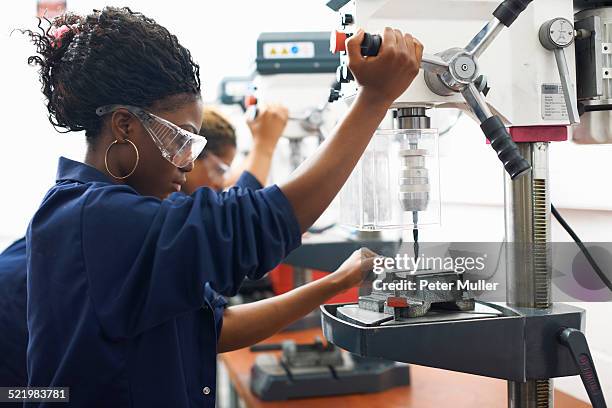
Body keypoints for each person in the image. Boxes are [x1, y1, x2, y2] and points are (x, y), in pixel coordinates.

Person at [21, 7, 422, 407]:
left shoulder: (116, 217)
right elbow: (257, 223)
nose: (190, 163)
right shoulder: (94, 217)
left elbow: (210, 329)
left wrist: (334, 283)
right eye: (183, 140)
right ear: (126, 125)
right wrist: (373, 100)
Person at [183, 104, 288, 193]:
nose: (221, 184)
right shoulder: (174, 203)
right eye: (219, 171)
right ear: (191, 154)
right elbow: (238, 208)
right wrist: (264, 145)